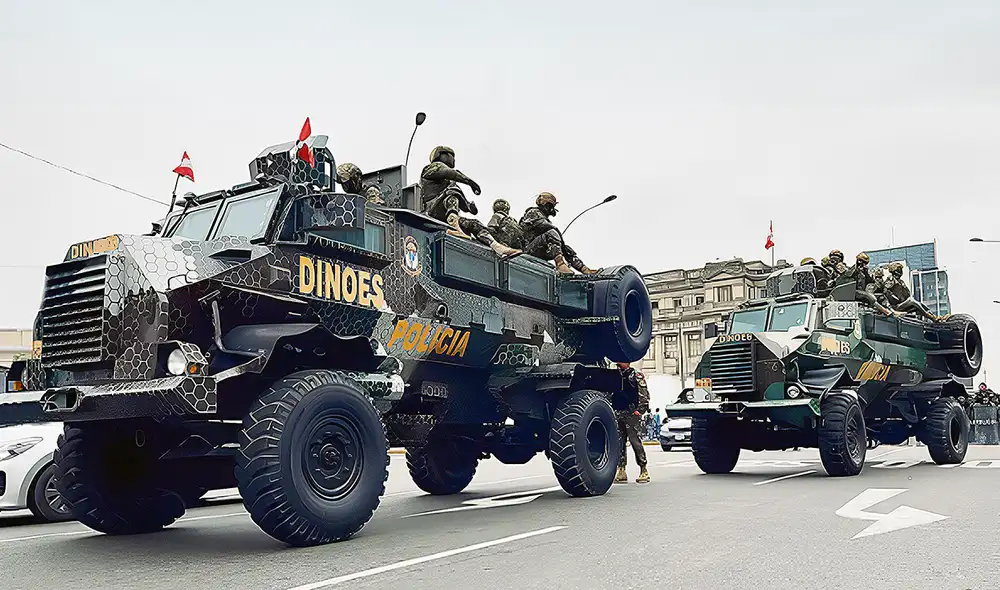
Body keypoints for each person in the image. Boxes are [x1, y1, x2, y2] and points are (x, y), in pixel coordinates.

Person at [419, 146, 521, 259]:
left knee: (474, 224)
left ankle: (498, 247)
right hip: (431, 213)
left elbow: (462, 204)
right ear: (443, 155)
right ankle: (454, 225)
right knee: (452, 190)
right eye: (452, 156)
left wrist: (469, 206)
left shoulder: (449, 184)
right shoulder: (432, 168)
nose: (454, 160)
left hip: (445, 216)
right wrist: (470, 182)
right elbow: (449, 173)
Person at [519, 192, 599, 275]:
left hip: (538, 250)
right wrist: (560, 239)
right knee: (552, 233)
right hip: (527, 250)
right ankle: (560, 264)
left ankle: (584, 269)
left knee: (566, 248)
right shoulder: (533, 212)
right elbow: (546, 226)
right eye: (551, 206)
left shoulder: (544, 217)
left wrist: (562, 246)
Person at [614, 362, 650, 484]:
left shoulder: (636, 375)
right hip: (618, 412)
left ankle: (643, 469)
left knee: (635, 441)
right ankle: (621, 469)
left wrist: (639, 411)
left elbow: (643, 394)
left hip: (631, 413)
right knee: (619, 442)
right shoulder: (614, 375)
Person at [882, 262, 948, 322]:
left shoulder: (901, 282)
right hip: (895, 307)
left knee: (920, 304)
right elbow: (884, 292)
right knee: (911, 301)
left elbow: (907, 294)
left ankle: (933, 317)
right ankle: (932, 317)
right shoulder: (891, 280)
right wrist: (891, 306)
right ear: (896, 271)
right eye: (899, 270)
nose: (901, 272)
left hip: (902, 305)